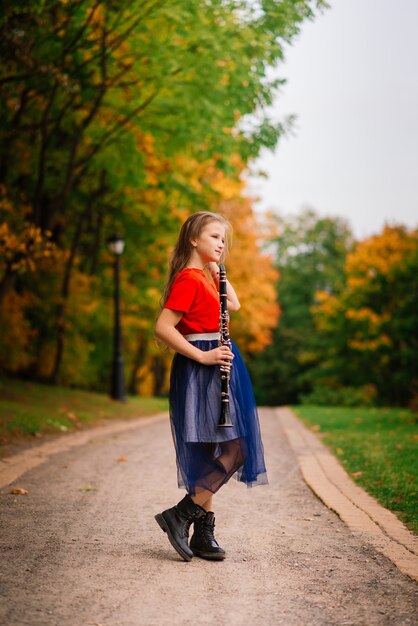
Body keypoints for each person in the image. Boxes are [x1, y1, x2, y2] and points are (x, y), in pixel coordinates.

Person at [154, 211, 268, 562]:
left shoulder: (205, 277)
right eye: (215, 236)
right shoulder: (189, 278)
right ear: (193, 239)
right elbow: (163, 327)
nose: (221, 244)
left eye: (224, 239)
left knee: (211, 450)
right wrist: (202, 358)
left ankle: (202, 531)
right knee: (236, 449)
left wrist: (218, 271)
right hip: (203, 363)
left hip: (216, 362)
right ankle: (183, 514)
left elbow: (233, 303)